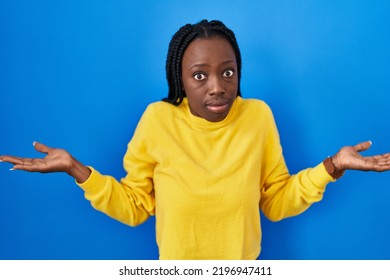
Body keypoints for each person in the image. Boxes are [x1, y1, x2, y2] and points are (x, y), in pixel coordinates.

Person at [1, 19, 390, 260]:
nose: (218, 87)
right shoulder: (158, 120)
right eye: (200, 75)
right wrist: (76, 169)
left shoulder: (257, 116)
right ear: (180, 80)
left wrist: (333, 166)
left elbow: (274, 200)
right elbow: (136, 205)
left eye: (228, 72)